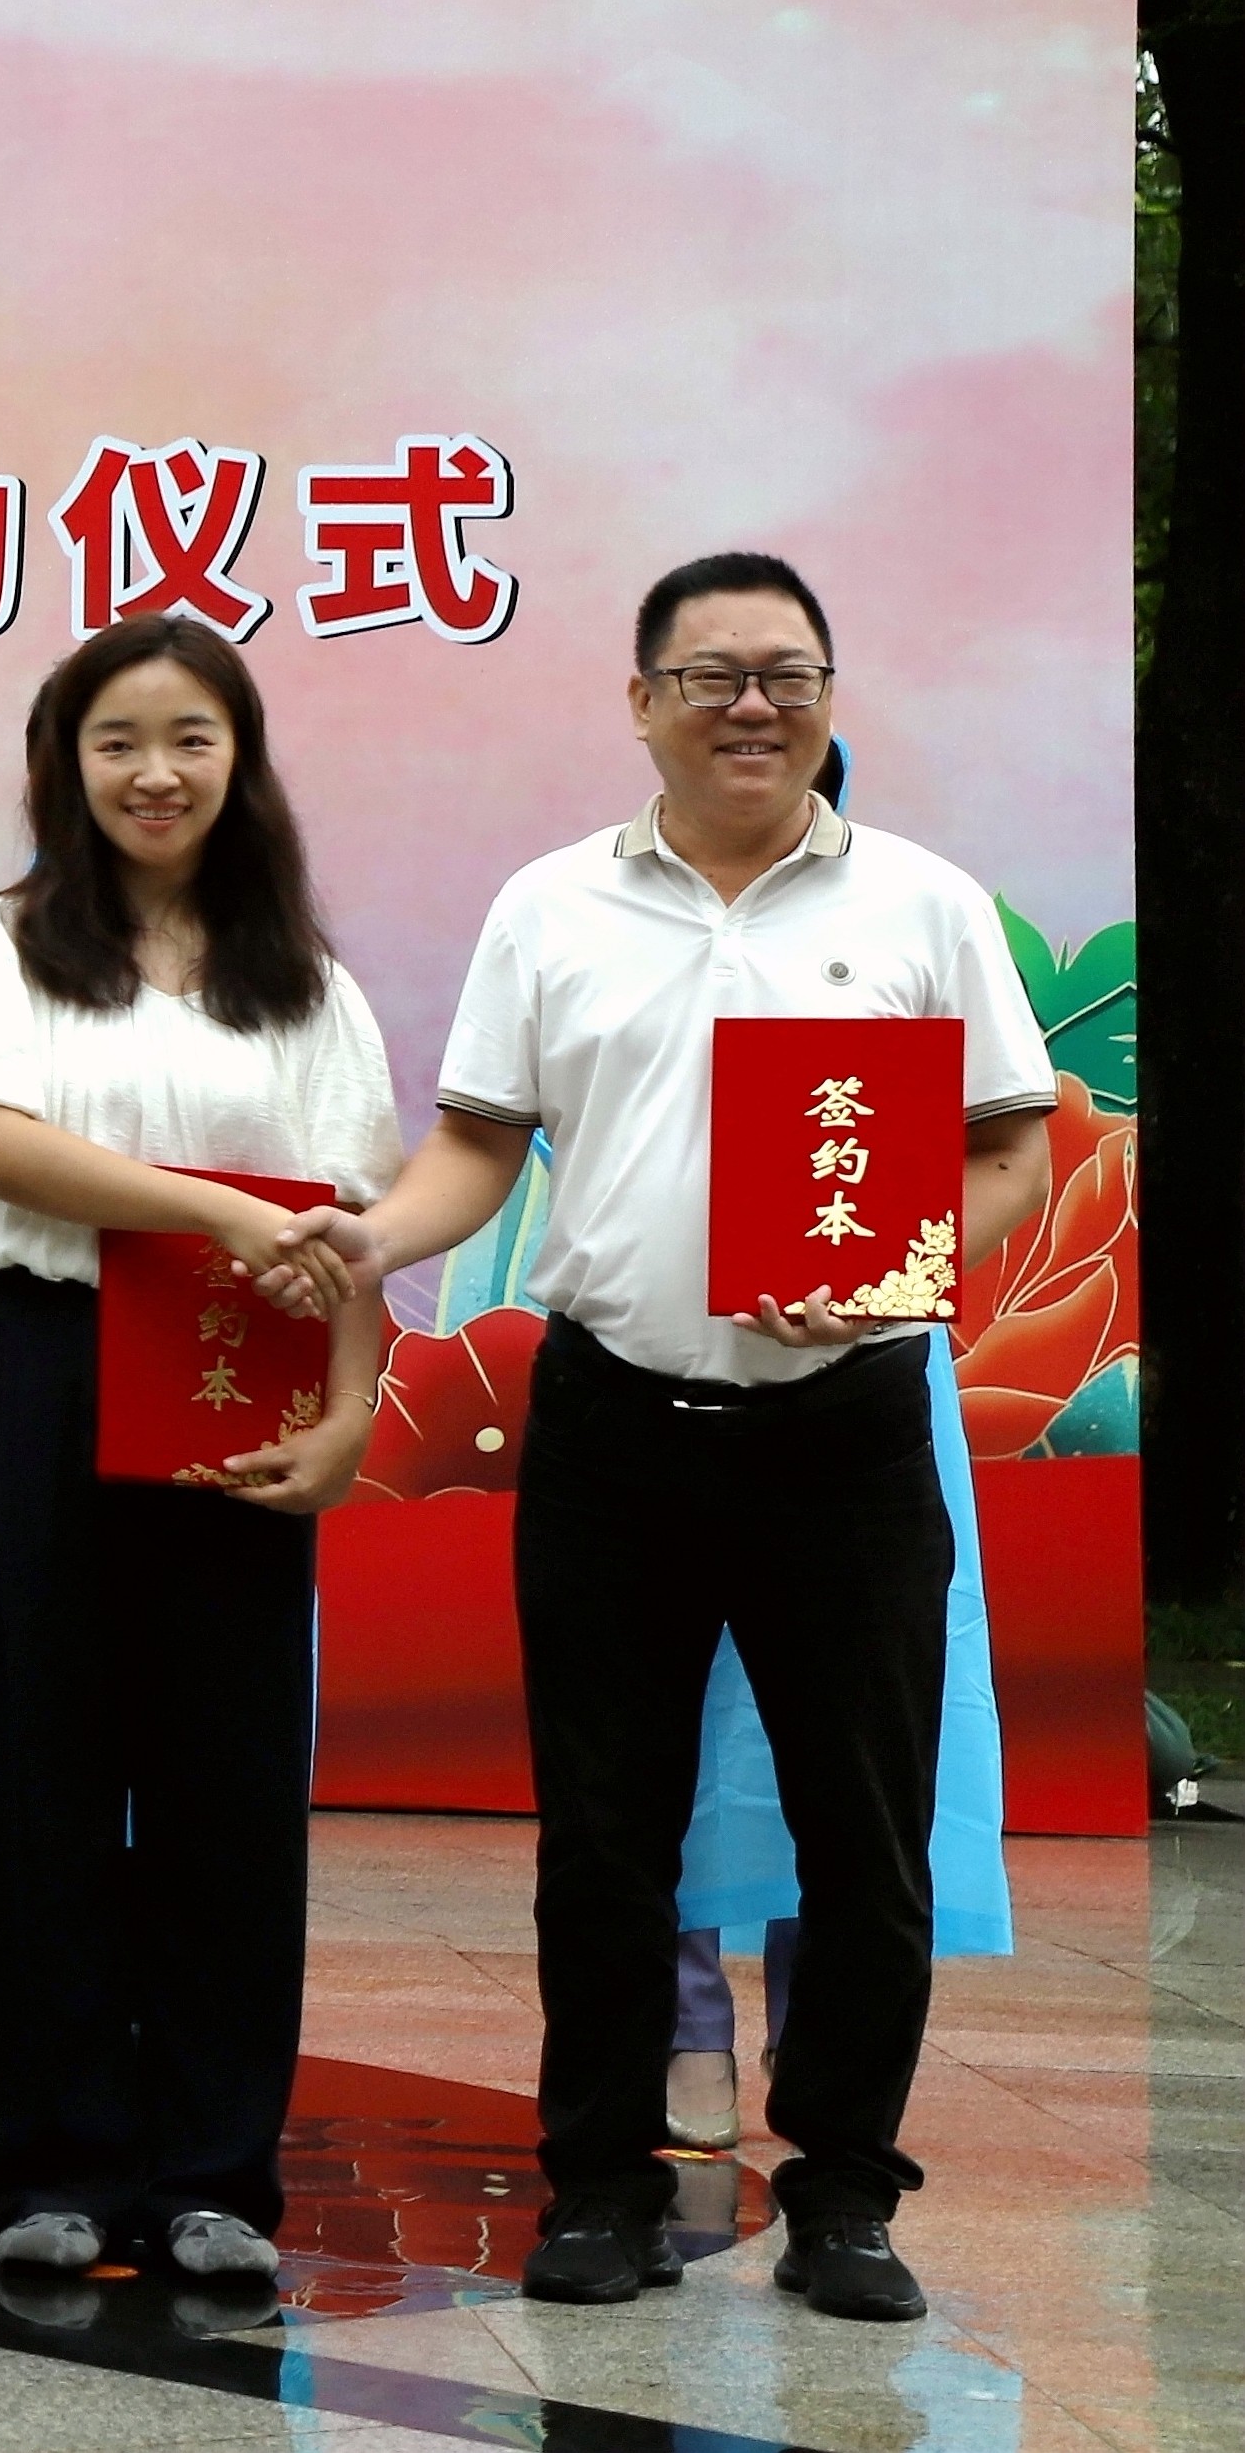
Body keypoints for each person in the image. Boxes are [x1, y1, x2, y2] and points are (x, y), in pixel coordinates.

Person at [281, 554, 1049, 2328]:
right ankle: (599, 2183)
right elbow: (479, 1144)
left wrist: (891, 1266)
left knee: (864, 1834)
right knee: (601, 1833)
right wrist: (373, 1237)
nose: (750, 705)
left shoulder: (923, 903)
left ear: (829, 698)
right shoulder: (549, 904)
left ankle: (843, 2191)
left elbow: (1007, 1149)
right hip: (615, 1423)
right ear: (640, 703)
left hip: (844, 1433)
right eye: (709, 675)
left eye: (786, 672)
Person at [0, 616, 396, 2291]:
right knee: (28, 1761)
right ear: (66, 763)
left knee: (223, 1781)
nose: (153, 772)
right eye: (115, 740)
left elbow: (345, 1228)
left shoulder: (304, 983)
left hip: (237, 1384)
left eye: (189, 737)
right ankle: (47, 2159)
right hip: (39, 1362)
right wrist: (205, 1209)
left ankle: (209, 2174)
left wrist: (346, 1414)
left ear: (237, 758)